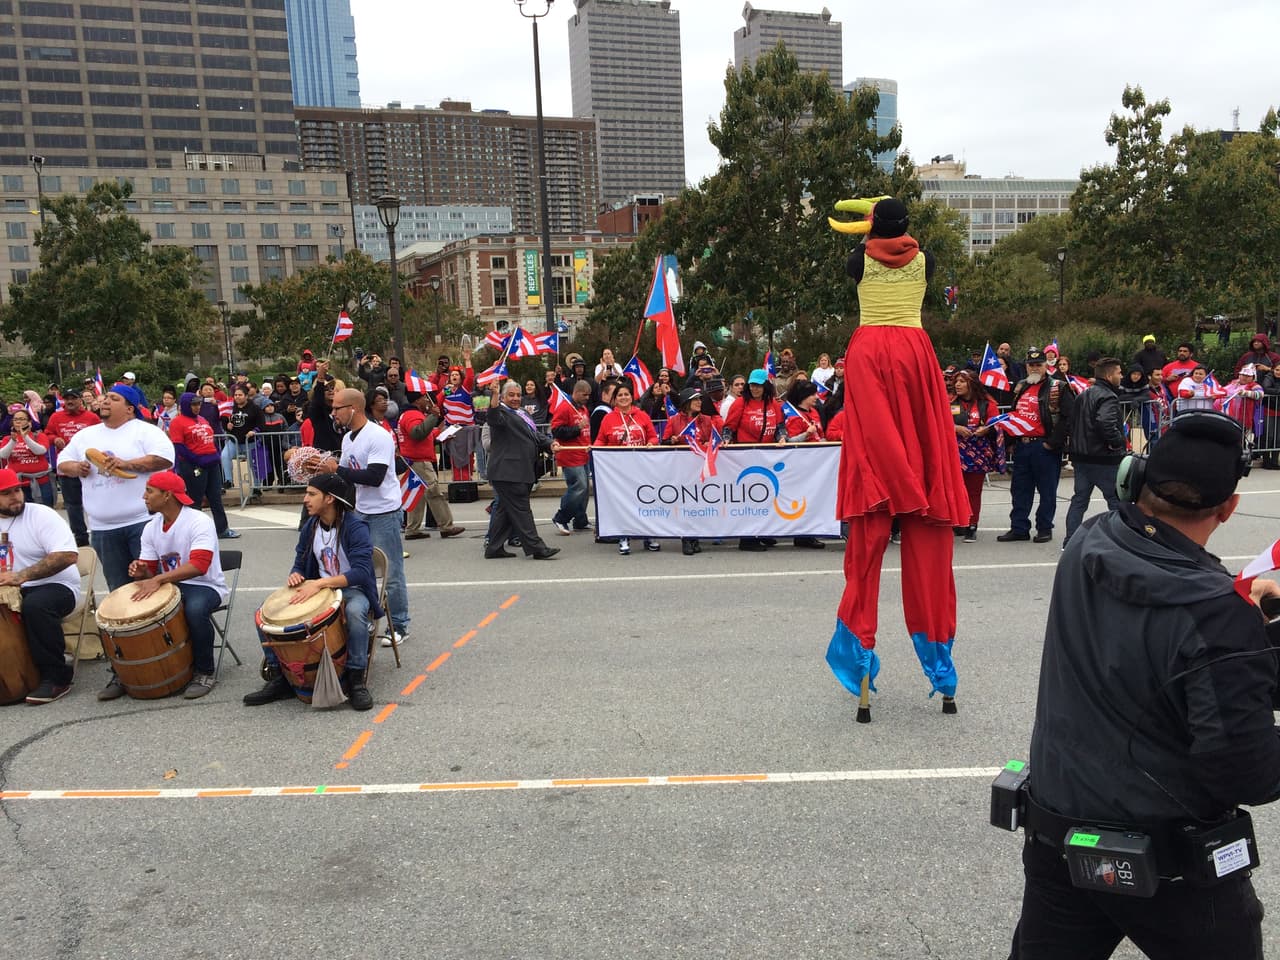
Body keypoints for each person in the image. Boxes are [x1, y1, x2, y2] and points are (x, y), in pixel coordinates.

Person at [1009, 410, 1280, 959]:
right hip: (1169, 863)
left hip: (1057, 834)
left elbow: (1154, 639)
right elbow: (1246, 772)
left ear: (1134, 479)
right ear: (1228, 509)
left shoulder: (1090, 540)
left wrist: (1250, 627)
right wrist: (1244, 628)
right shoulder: (1216, 614)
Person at [825, 197, 971, 718]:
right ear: (907, 227)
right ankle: (941, 668)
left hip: (870, 356)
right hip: (914, 353)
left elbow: (863, 253)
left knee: (872, 472)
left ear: (873, 226)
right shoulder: (924, 258)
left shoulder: (857, 257)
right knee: (925, 458)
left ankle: (860, 663)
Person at [57, 385, 175, 700]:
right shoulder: (86, 436)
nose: (105, 401)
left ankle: (169, 658)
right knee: (119, 597)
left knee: (154, 588)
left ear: (131, 407)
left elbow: (164, 459)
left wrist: (125, 463)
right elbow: (62, 463)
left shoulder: (143, 431)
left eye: (114, 399)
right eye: (105, 397)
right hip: (104, 528)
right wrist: (78, 467)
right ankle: (123, 671)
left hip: (142, 523)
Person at [243, 474, 382, 711]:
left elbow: (361, 572)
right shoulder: (311, 525)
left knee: (357, 613)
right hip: (318, 588)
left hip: (351, 588)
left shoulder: (354, 526)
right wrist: (296, 574)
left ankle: (356, 678)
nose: (305, 499)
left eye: (311, 494)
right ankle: (280, 677)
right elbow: (300, 561)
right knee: (263, 616)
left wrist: (319, 584)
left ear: (329, 498)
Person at [316, 387, 410, 649]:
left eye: (337, 408)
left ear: (353, 409)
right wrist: (321, 473)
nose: (333, 413)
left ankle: (400, 624)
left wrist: (339, 469)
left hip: (384, 511)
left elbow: (374, 476)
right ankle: (368, 616)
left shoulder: (378, 436)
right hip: (361, 511)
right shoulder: (348, 439)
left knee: (390, 571)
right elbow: (344, 477)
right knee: (360, 569)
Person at [126, 471, 229, 700]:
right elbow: (150, 571)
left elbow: (199, 566)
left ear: (167, 496)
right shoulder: (151, 527)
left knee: (194, 609)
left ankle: (204, 671)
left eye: (149, 491)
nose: (144, 497)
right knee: (130, 608)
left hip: (205, 585)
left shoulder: (198, 521)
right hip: (172, 584)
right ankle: (132, 672)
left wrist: (158, 579)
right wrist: (141, 571)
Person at [0, 467, 81, 704]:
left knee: (36, 605)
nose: (15, 496)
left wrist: (22, 576)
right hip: (14, 588)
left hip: (58, 585)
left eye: (17, 490)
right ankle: (12, 677)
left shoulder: (41, 515)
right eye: (6, 493)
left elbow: (67, 555)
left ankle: (57, 677)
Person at [997, 350, 1074, 544]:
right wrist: (1011, 442)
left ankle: (1044, 528)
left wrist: (1052, 443)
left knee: (1047, 491)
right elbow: (1014, 415)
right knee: (1019, 490)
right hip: (1023, 447)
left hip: (1044, 447)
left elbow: (1068, 418)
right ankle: (1019, 528)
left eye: (1038, 364)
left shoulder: (1059, 387)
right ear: (1026, 366)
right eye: (1031, 365)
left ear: (1046, 366)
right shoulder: (1021, 387)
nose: (1034, 368)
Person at [484, 381, 560, 560]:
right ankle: (536, 547)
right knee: (522, 509)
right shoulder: (500, 412)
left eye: (518, 395)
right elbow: (492, 417)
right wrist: (493, 396)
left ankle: (494, 547)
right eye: (511, 395)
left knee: (504, 510)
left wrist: (550, 444)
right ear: (502, 397)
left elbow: (535, 435)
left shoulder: (523, 413)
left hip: (522, 469)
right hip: (508, 471)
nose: (516, 398)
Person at [1063, 357, 1126, 547]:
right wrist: (1117, 443)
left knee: (1079, 500)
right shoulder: (1108, 396)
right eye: (1118, 372)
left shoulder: (1084, 394)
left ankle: (1070, 540)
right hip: (1103, 457)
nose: (1121, 376)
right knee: (1116, 500)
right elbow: (1105, 423)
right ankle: (1121, 540)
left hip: (1081, 456)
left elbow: (1072, 423)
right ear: (1109, 375)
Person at [594, 379, 659, 555]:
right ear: (614, 399)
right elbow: (601, 439)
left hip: (642, 467)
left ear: (632, 397)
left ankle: (648, 535)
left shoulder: (642, 415)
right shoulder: (608, 418)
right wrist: (594, 448)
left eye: (626, 394)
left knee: (645, 501)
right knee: (624, 503)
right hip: (619, 469)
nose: (623, 397)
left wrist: (652, 443)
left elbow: (653, 436)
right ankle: (624, 536)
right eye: (620, 395)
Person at [398, 387, 465, 541]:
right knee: (434, 492)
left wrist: (439, 433)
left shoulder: (408, 415)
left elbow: (423, 434)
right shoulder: (413, 415)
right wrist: (433, 417)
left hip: (413, 460)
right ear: (417, 400)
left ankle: (412, 529)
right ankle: (446, 526)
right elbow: (418, 433)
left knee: (419, 495)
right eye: (424, 398)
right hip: (419, 461)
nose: (427, 400)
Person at [169, 392, 236, 539]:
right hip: (193, 465)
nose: (197, 407)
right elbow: (179, 446)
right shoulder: (177, 422)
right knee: (195, 500)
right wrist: (196, 459)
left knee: (215, 497)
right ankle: (194, 532)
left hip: (211, 463)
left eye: (198, 404)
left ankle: (222, 529)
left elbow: (210, 439)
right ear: (186, 405)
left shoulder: (202, 419)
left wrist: (216, 454)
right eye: (193, 404)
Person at [950, 370, 1002, 543]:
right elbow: (939, 419)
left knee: (973, 490)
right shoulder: (950, 401)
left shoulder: (987, 402)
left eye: (962, 381)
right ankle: (958, 521)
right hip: (955, 452)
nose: (957, 384)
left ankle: (972, 525)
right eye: (956, 381)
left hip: (978, 452)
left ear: (971, 384)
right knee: (956, 488)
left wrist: (986, 429)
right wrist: (955, 428)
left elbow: (996, 422)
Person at [46, 389, 99, 547]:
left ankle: (98, 532)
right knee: (72, 504)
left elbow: (103, 435)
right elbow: (47, 434)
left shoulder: (91, 417)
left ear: (80, 400)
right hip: (67, 467)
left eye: (73, 399)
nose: (69, 402)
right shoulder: (56, 417)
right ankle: (80, 538)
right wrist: (55, 439)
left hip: (90, 467)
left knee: (95, 501)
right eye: (67, 399)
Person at [550, 379, 593, 536]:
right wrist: (577, 428)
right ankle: (561, 517)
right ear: (575, 393)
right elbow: (556, 431)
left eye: (589, 395)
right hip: (570, 454)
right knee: (579, 487)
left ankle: (580, 520)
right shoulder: (564, 408)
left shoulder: (583, 409)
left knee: (584, 489)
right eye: (584, 394)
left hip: (582, 453)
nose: (587, 397)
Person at [1, 408, 55, 507]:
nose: (18, 421)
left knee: (45, 508)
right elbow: (3, 455)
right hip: (19, 482)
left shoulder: (39, 436)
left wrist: (25, 437)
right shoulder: (7, 439)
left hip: (40, 481)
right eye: (15, 419)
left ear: (29, 422)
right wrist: (13, 441)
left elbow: (40, 451)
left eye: (22, 419)